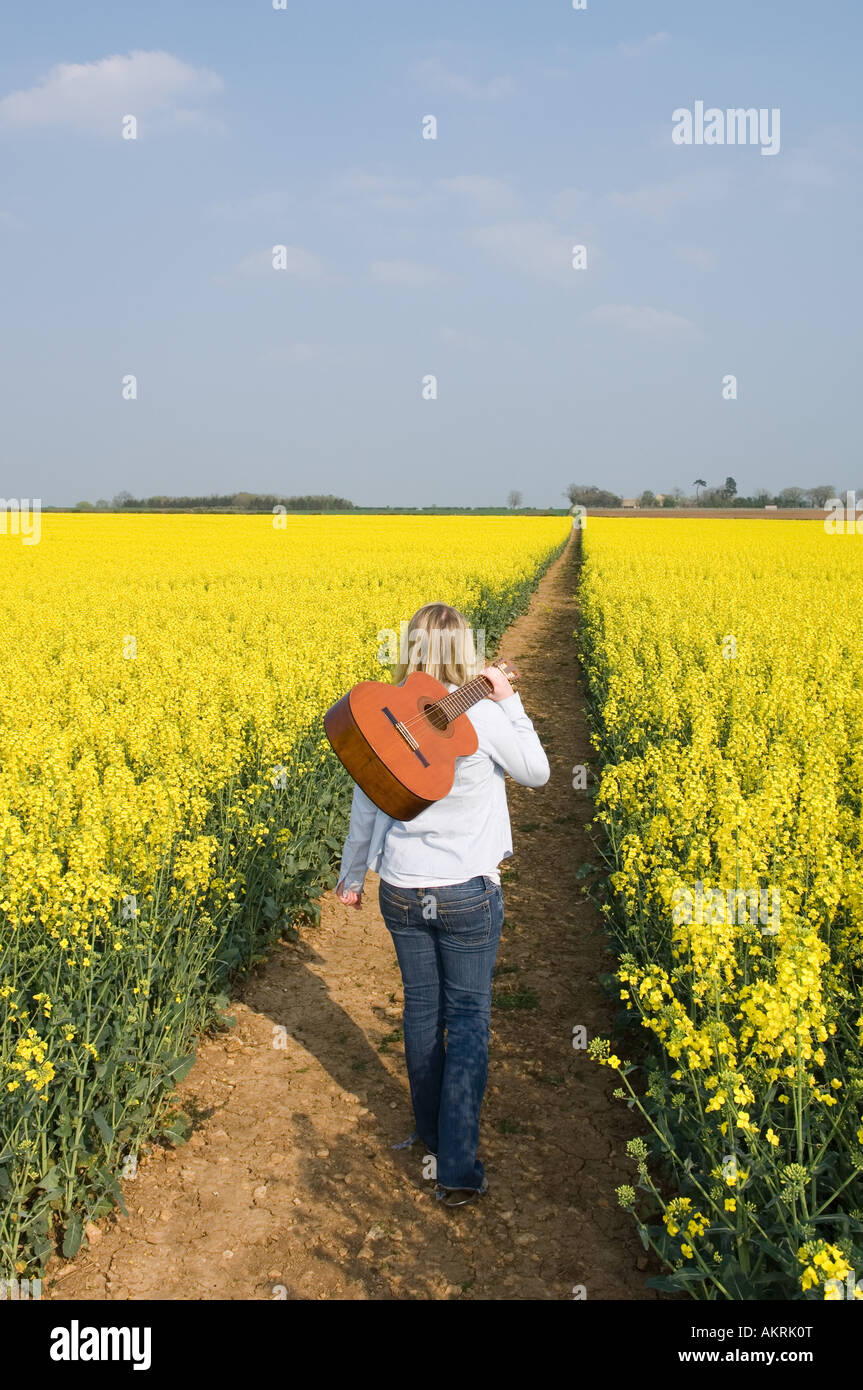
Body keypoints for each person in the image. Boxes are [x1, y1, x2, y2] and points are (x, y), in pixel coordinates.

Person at [335, 602, 550, 1207]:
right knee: (469, 1019)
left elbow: (366, 807)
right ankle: (456, 1167)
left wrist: (352, 877)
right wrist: (508, 700)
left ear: (412, 648)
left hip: (403, 889)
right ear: (468, 653)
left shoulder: (386, 715)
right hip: (467, 893)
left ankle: (429, 1135)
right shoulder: (483, 712)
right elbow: (537, 773)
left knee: (424, 1013)